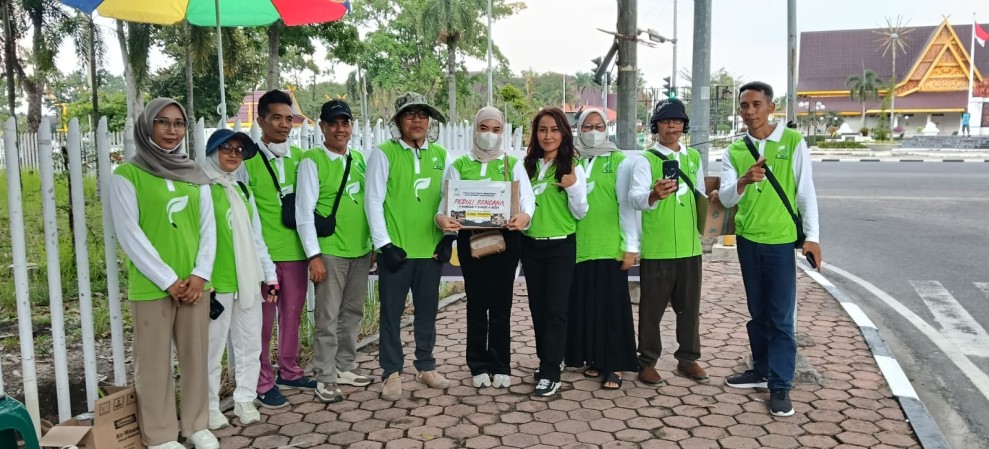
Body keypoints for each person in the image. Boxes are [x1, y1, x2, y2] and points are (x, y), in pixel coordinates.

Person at [110, 98, 219, 449]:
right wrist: (168, 280)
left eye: (178, 124)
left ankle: (196, 425)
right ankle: (159, 436)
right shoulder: (128, 175)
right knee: (154, 363)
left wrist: (200, 274)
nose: (171, 131)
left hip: (194, 285)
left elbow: (208, 229)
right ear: (147, 126)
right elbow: (130, 235)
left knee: (195, 357)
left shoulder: (195, 175)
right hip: (153, 286)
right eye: (163, 122)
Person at [719, 81, 822, 417]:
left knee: (780, 317)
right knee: (758, 311)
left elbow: (805, 192)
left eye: (756, 105)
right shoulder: (734, 151)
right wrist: (744, 181)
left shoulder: (792, 141)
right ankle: (760, 369)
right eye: (744, 106)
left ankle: (780, 386)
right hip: (748, 240)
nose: (750, 112)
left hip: (779, 242)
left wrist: (813, 237)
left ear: (770, 107)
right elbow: (725, 198)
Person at [434, 106, 535, 389]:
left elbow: (527, 201)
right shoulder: (460, 164)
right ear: (475, 129)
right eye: (484, 128)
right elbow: (445, 204)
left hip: (506, 242)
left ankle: (500, 363)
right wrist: (442, 218)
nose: (489, 135)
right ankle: (477, 363)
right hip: (471, 242)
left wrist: (524, 217)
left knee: (502, 305)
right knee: (477, 305)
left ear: (502, 132)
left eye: (496, 129)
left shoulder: (511, 163)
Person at [365, 92, 454, 401]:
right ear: (398, 120)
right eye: (409, 114)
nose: (417, 120)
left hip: (430, 251)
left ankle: (426, 365)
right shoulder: (384, 153)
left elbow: (449, 199)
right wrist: (384, 244)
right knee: (390, 314)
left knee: (427, 312)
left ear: (429, 121)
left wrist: (447, 239)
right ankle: (391, 372)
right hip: (398, 252)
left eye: (422, 114)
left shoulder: (441, 154)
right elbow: (373, 202)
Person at [626, 99, 715, 387]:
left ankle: (688, 359)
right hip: (658, 247)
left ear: (684, 125)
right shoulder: (646, 159)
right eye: (665, 121)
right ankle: (647, 361)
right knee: (651, 310)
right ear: (656, 125)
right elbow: (635, 198)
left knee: (689, 307)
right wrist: (653, 195)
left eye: (677, 121)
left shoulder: (693, 158)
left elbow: (699, 194)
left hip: (690, 248)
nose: (672, 126)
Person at [295, 99, 374, 403]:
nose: (340, 129)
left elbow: (368, 204)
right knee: (327, 317)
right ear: (323, 127)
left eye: (345, 122)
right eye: (334, 123)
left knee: (352, 312)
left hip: (360, 250)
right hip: (330, 251)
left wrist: (373, 244)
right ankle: (325, 375)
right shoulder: (312, 161)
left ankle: (345, 366)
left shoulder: (359, 160)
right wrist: (314, 256)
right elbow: (304, 213)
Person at [241, 90, 316, 408]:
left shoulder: (301, 159)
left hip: (296, 254)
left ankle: (290, 370)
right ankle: (262, 381)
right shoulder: (247, 160)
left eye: (289, 119)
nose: (284, 125)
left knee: (292, 316)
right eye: (276, 118)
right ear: (261, 121)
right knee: (261, 322)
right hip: (262, 259)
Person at [202, 129, 278, 429]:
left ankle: (244, 397)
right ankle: (208, 405)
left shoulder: (242, 191)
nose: (233, 154)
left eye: (238, 150)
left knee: (249, 344)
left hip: (246, 281)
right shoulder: (201, 189)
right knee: (212, 347)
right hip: (216, 283)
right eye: (226, 149)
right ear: (212, 153)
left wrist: (270, 276)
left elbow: (257, 238)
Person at [564, 108, 639, 390]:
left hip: (610, 246)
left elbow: (627, 207)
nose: (592, 131)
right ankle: (595, 359)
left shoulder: (620, 161)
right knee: (586, 307)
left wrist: (630, 245)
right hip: (579, 245)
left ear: (607, 128)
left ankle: (615, 365)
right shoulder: (572, 160)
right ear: (579, 130)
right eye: (587, 127)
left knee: (612, 309)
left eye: (598, 126)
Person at [521, 107, 588, 397]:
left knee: (556, 309)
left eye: (554, 129)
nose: (548, 136)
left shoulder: (572, 165)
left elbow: (581, 211)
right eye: (542, 130)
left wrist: (572, 188)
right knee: (537, 306)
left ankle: (551, 371)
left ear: (564, 132)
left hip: (561, 245)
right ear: (536, 134)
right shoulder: (527, 166)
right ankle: (548, 358)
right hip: (530, 245)